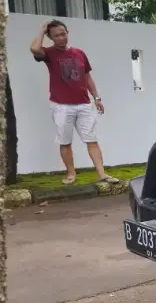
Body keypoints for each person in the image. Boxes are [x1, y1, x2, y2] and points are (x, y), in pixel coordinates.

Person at [30, 20, 119, 185]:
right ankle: (71, 174)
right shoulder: (48, 53)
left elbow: (87, 77)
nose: (61, 38)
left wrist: (96, 98)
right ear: (51, 37)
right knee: (65, 141)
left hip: (83, 104)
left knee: (92, 139)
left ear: (67, 32)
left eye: (63, 34)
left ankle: (102, 174)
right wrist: (42, 30)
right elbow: (34, 49)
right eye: (56, 35)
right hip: (61, 105)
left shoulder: (79, 53)